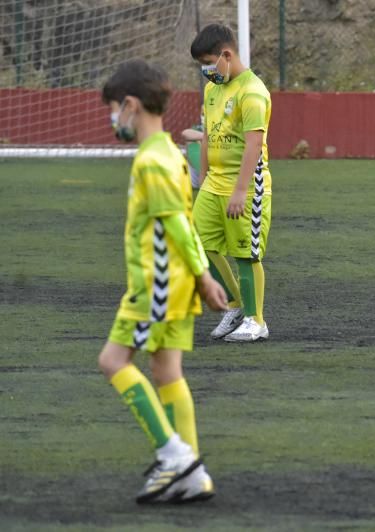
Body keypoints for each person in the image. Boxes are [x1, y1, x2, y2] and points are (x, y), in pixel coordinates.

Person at [97, 60, 228, 503]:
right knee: (168, 373)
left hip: (154, 288)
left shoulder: (151, 161)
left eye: (114, 109)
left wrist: (204, 275)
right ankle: (192, 473)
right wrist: (200, 278)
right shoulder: (172, 154)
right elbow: (184, 222)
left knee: (113, 362)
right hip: (175, 285)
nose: (113, 118)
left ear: (131, 106)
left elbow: (174, 223)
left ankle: (175, 457)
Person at [190, 23, 273, 342]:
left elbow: (254, 145)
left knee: (246, 254)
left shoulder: (252, 92)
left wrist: (240, 191)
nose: (206, 71)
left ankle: (256, 320)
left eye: (207, 63)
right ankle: (236, 305)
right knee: (196, 243)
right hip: (214, 184)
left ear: (226, 55)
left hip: (247, 186)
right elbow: (209, 135)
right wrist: (204, 177)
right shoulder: (213, 90)